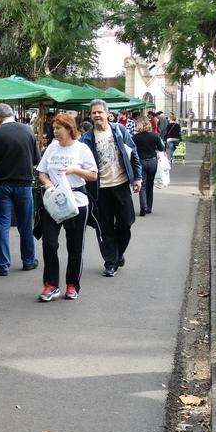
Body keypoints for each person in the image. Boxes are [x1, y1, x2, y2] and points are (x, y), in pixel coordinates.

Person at [34, 114, 99, 301]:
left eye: (58, 128)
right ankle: (51, 285)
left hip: (77, 202)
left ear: (70, 129)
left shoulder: (82, 149)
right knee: (49, 243)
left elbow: (93, 175)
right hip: (54, 201)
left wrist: (74, 170)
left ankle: (72, 284)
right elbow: (42, 172)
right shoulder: (51, 148)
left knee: (75, 246)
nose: (54, 132)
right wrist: (48, 185)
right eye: (54, 128)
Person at [80, 99, 143, 277]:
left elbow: (133, 153)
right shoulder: (86, 138)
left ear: (107, 114)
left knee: (126, 223)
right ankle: (110, 262)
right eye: (94, 113)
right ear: (90, 116)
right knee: (105, 228)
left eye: (100, 112)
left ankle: (118, 253)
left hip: (121, 185)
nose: (97, 115)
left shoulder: (119, 130)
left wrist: (137, 177)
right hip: (100, 190)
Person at [0, 103, 39, 277]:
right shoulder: (28, 130)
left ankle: (3, 265)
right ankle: (28, 260)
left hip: (2, 184)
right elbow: (36, 158)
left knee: (2, 224)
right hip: (24, 184)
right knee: (25, 223)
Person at [133, 116, 165, 216]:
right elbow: (161, 148)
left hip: (140, 162)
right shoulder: (155, 136)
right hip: (152, 161)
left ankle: (143, 207)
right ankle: (149, 207)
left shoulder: (135, 137)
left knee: (141, 185)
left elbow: (132, 150)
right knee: (150, 185)